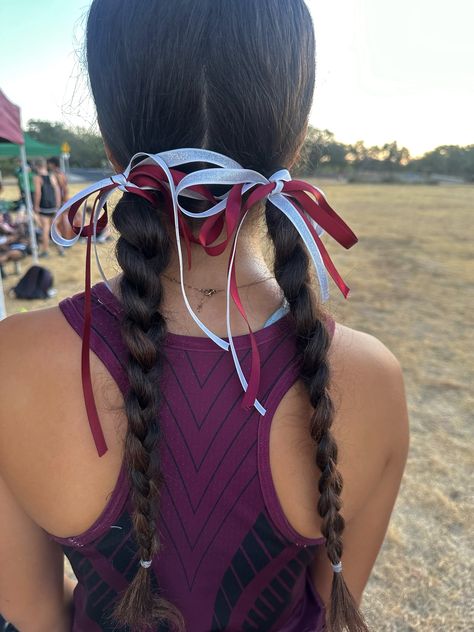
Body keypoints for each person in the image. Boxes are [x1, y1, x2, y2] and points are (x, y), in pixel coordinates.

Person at [0, 2, 409, 632]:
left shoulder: (12, 363)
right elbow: (333, 612)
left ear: (111, 144)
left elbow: (33, 615)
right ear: (293, 140)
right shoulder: (372, 379)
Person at [32, 158, 64, 257]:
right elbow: (57, 191)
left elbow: (38, 193)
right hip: (53, 205)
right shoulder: (52, 176)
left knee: (45, 228)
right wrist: (58, 204)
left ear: (37, 167)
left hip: (44, 206)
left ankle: (45, 251)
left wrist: (36, 206)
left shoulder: (37, 178)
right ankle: (61, 249)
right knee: (54, 228)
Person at [47, 157, 74, 240]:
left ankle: (66, 237)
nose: (48, 165)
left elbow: (63, 188)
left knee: (63, 219)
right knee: (62, 219)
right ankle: (65, 236)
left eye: (49, 163)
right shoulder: (61, 173)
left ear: (53, 164)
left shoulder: (57, 174)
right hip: (64, 199)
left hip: (62, 200)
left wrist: (62, 200)